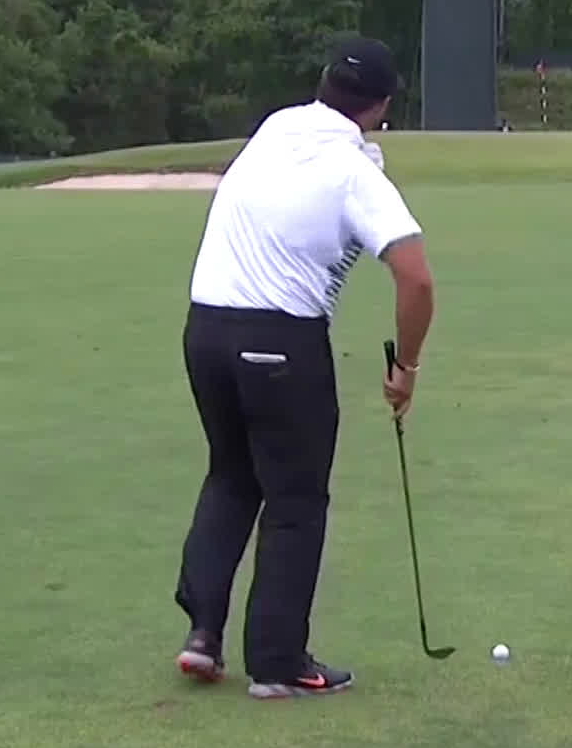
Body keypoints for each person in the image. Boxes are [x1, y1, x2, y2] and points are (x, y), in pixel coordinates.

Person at [172, 35, 436, 698]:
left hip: (205, 330)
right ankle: (277, 661)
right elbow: (415, 278)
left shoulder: (275, 127)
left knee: (232, 475)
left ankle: (202, 634)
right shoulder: (355, 172)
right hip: (281, 338)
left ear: (322, 83)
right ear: (382, 105)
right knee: (295, 500)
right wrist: (405, 367)